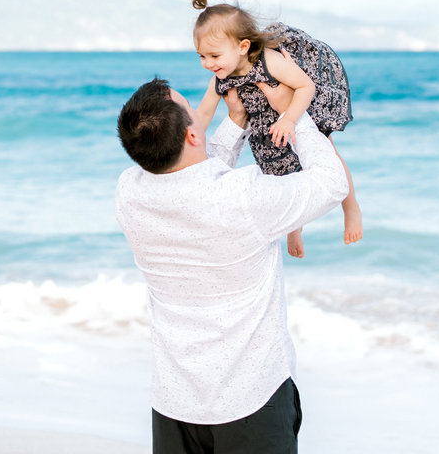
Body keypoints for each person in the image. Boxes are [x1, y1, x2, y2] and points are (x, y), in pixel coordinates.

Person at [116, 77, 349, 453]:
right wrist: (296, 113)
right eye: (191, 108)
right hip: (251, 399)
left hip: (175, 401)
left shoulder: (129, 191)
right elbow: (331, 183)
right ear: (192, 136)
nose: (196, 109)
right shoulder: (243, 197)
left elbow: (192, 183)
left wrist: (236, 121)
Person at [187, 0, 361, 258]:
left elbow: (305, 86)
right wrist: (187, 141)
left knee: (327, 152)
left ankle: (351, 210)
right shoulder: (219, 77)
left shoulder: (269, 61)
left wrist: (290, 119)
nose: (207, 64)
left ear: (243, 47)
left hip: (296, 109)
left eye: (214, 56)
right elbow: (205, 113)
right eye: (201, 56)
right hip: (264, 126)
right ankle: (293, 228)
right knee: (277, 173)